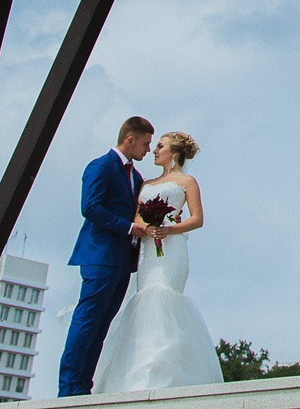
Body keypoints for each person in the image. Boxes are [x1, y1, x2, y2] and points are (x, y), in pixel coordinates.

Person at [92, 130, 224, 392]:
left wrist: (169, 228)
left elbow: (197, 219)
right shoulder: (145, 184)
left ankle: (167, 372)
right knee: (144, 298)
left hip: (172, 248)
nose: (154, 151)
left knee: (164, 296)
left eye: (160, 146)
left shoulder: (188, 182)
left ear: (173, 153)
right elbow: (138, 218)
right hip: (148, 248)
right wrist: (147, 226)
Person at [57, 116, 153, 397]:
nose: (147, 150)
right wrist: (128, 227)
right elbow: (90, 207)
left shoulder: (136, 178)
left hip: (123, 260)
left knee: (102, 324)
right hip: (99, 255)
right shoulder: (100, 166)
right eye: (145, 144)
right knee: (87, 319)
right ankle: (68, 387)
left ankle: (83, 386)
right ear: (130, 139)